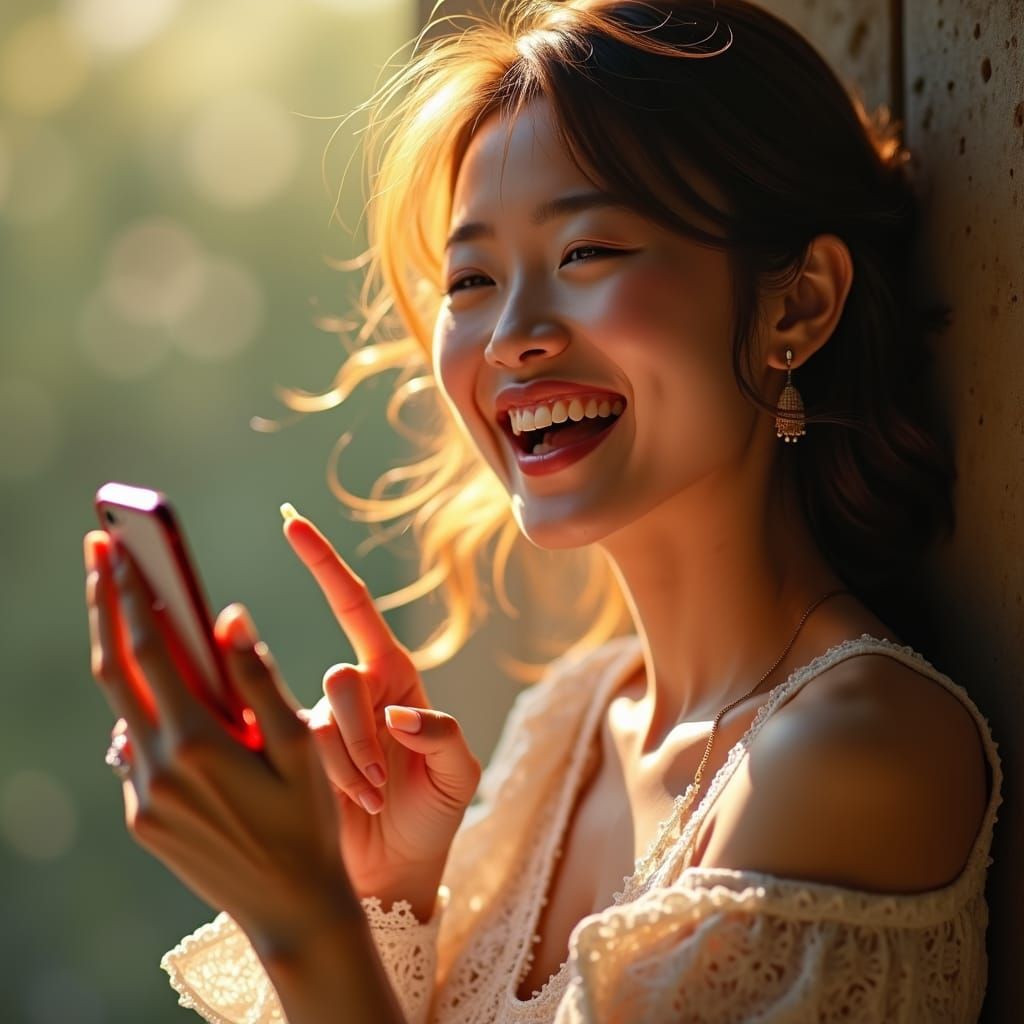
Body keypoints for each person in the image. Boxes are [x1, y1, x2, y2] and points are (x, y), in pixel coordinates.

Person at [82, 1, 1003, 1021]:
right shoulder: (572, 721)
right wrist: (385, 891)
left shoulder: (852, 755)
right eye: (472, 278)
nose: (512, 336)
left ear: (798, 303)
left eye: (586, 252)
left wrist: (302, 916)